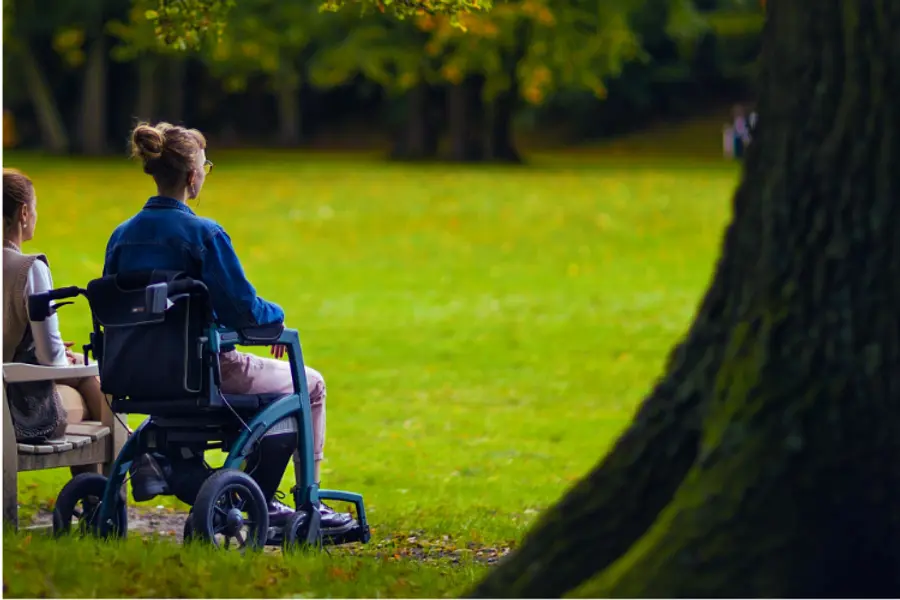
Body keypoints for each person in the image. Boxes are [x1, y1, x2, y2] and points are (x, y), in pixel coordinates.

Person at [105, 121, 353, 532]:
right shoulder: (203, 234)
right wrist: (278, 318)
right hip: (205, 371)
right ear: (191, 176)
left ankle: (179, 466)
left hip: (136, 372)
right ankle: (303, 500)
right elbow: (244, 310)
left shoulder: (121, 237)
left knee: (279, 384)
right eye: (206, 166)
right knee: (310, 385)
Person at [2, 168, 111, 476]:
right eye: (35, 208)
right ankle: (101, 502)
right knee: (92, 391)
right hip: (15, 409)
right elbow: (52, 360)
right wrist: (70, 360)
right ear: (24, 212)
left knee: (83, 379)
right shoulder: (29, 270)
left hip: (13, 378)